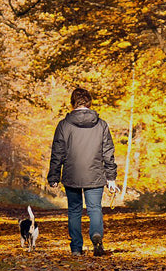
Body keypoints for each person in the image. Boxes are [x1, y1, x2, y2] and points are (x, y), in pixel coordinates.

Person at [47, 87, 118, 256]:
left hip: (72, 174)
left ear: (73, 103)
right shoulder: (101, 125)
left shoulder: (64, 125)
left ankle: (76, 249)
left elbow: (58, 152)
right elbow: (108, 152)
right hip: (95, 174)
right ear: (89, 102)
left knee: (74, 210)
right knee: (94, 208)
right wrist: (111, 178)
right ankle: (96, 234)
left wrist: (54, 175)